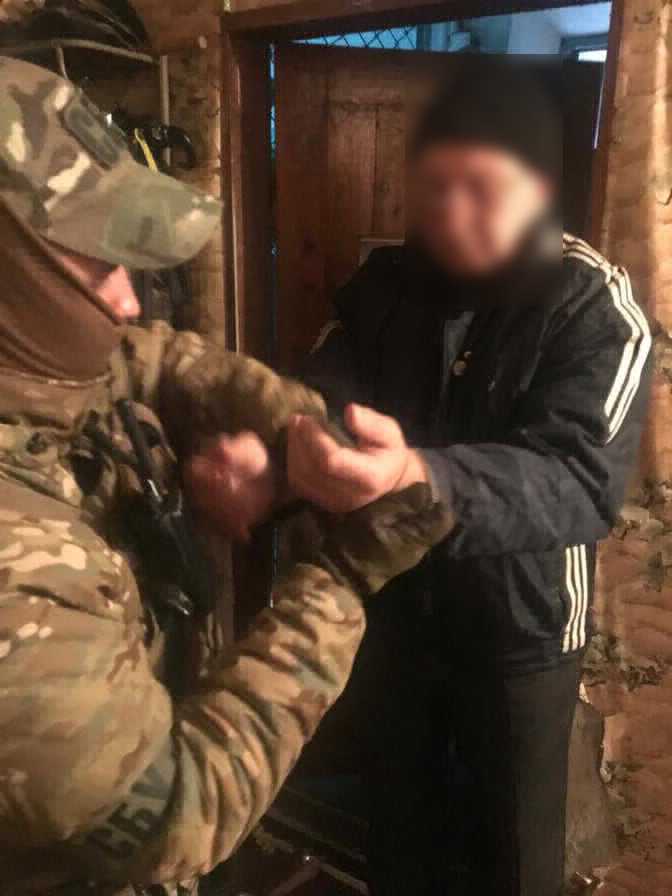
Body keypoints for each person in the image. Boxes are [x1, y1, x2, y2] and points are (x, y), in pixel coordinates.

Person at [192, 63, 652, 895]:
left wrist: (419, 476)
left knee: (513, 861)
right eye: (434, 187)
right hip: (394, 610)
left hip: (520, 635)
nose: (450, 212)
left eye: (481, 188)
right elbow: (324, 395)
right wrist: (275, 464)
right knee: (399, 840)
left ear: (539, 189)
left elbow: (580, 482)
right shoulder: (385, 285)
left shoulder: (597, 310)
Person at [0, 56, 453, 896]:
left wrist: (295, 430)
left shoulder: (33, 365)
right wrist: (342, 578)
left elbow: (145, 357)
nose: (130, 299)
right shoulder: (13, 590)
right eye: (99, 266)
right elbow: (178, 815)